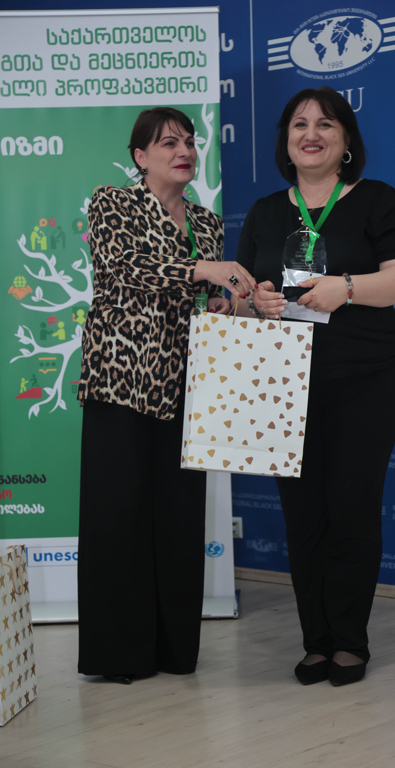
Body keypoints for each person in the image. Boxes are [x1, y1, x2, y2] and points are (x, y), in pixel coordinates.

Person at [234, 88, 395, 687]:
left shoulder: (377, 200)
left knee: (353, 508)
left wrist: (347, 287)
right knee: (303, 515)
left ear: (346, 142)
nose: (310, 134)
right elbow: (237, 298)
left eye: (325, 124)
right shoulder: (265, 212)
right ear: (286, 141)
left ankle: (349, 642)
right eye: (299, 124)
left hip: (364, 379)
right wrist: (256, 302)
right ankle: (315, 641)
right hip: (282, 381)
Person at [77, 107, 255, 684]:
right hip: (120, 381)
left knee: (179, 517)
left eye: (189, 141)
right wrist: (206, 272)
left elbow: (202, 295)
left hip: (186, 384)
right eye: (167, 143)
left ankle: (175, 650)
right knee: (117, 515)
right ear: (140, 156)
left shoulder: (205, 222)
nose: (183, 151)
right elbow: (126, 269)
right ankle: (118, 655)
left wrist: (224, 301)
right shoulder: (112, 202)